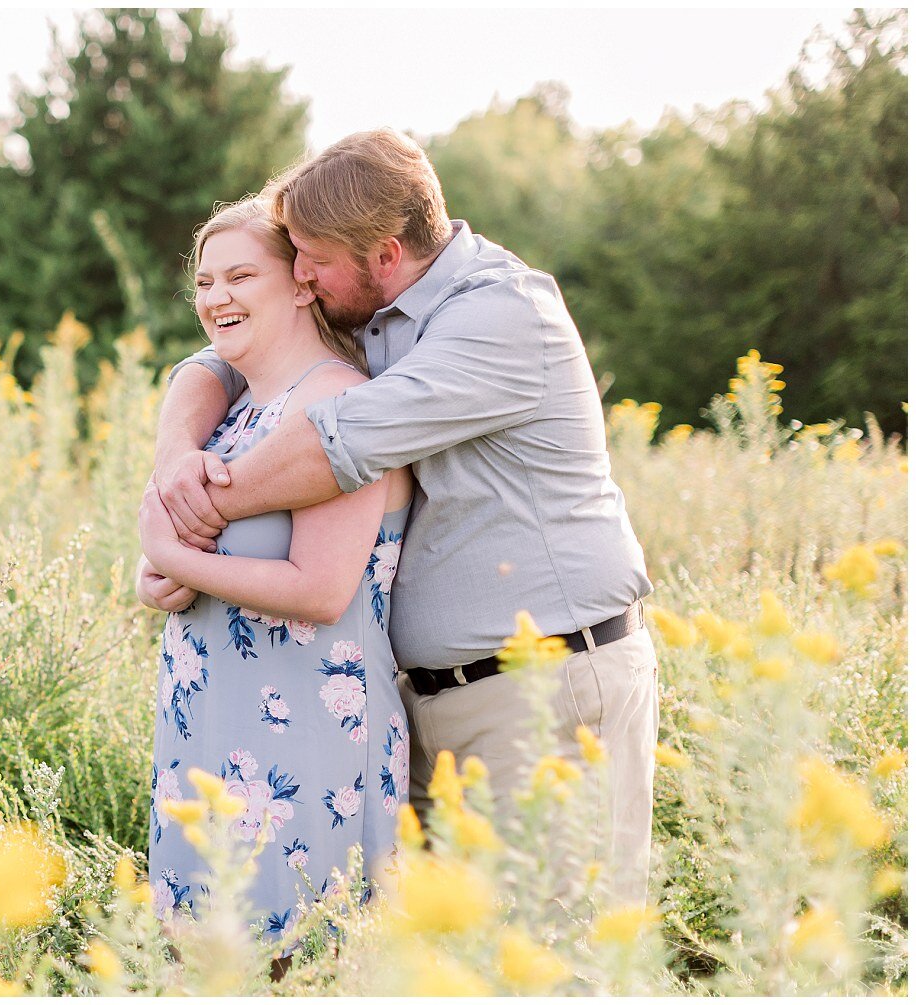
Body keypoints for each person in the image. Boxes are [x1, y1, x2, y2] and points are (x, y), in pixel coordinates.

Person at [144, 129, 659, 906]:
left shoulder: (501, 315)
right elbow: (213, 363)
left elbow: (341, 442)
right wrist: (177, 447)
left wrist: (188, 520)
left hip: (544, 688)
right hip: (434, 702)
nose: (304, 277)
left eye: (312, 258)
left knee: (558, 956)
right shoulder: (380, 312)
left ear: (384, 253)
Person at [136, 197, 414, 960]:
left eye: (240, 275)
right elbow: (190, 544)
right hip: (207, 732)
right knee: (208, 965)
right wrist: (154, 578)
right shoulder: (227, 412)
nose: (216, 296)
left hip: (308, 741)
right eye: (204, 281)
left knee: (297, 961)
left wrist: (177, 557)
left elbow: (322, 589)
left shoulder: (338, 402)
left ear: (299, 281)